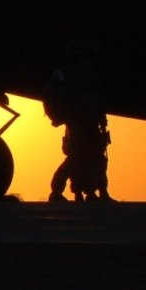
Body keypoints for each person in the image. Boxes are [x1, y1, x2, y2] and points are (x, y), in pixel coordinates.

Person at [44, 41, 113, 202]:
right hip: (83, 122)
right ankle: (63, 190)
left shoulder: (73, 74)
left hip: (81, 121)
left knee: (88, 158)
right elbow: (91, 98)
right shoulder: (82, 74)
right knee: (84, 158)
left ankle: (88, 191)